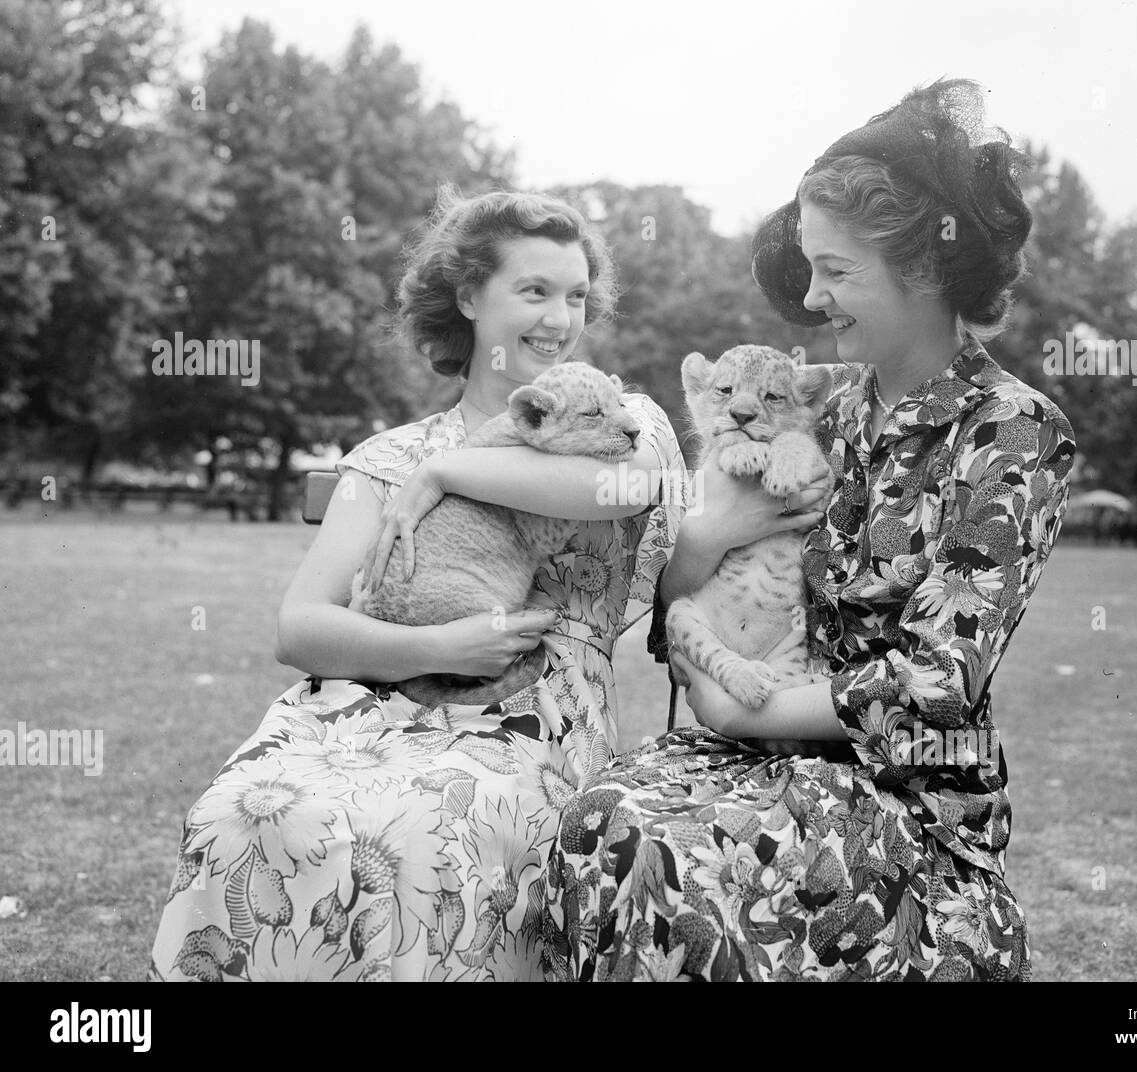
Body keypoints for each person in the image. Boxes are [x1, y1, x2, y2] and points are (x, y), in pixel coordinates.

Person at [543, 80, 1076, 981]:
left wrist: (724, 701)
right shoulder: (815, 411)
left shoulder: (1013, 432)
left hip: (905, 798)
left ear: (927, 268)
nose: (814, 296)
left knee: (672, 856)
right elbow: (681, 591)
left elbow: (936, 680)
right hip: (754, 751)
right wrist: (713, 537)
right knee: (602, 820)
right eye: (810, 268)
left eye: (837, 270)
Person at [149, 188, 685, 981]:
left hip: (535, 717)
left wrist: (448, 469)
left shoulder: (618, 418)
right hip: (369, 706)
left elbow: (623, 490)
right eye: (533, 291)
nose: (560, 319)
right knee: (245, 810)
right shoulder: (388, 456)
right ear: (468, 296)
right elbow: (299, 628)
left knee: (411, 823)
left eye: (576, 297)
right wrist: (433, 644)